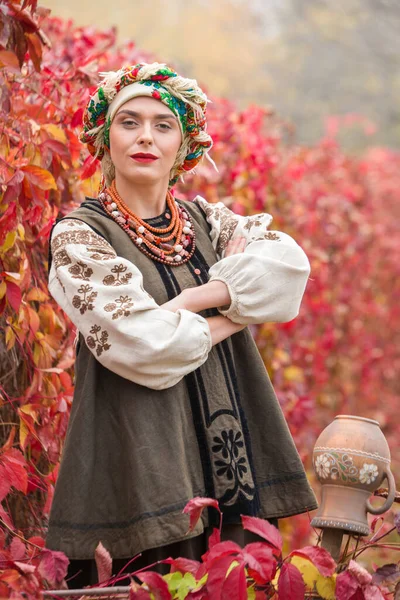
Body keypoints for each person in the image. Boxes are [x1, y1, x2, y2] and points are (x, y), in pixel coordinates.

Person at [46, 62, 317, 587]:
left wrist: (200, 297)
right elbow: (141, 343)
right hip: (138, 458)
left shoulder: (209, 222)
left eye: (163, 124)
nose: (145, 136)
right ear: (104, 140)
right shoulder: (80, 237)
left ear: (184, 144)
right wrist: (238, 311)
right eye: (129, 122)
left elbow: (288, 272)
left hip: (230, 456)